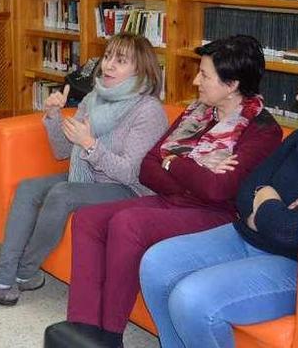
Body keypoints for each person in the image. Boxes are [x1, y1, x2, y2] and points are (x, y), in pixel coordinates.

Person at [56, 35, 283, 348]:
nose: (195, 80)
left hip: (216, 216)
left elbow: (218, 191)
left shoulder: (261, 131)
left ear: (231, 85)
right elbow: (148, 167)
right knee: (87, 219)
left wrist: (173, 162)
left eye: (204, 75)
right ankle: (82, 327)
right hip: (170, 201)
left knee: (128, 223)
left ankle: (109, 337)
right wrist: (193, 168)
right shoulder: (196, 114)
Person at [139, 49, 298, 348]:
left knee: (192, 298)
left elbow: (290, 233)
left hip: (295, 265)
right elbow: (248, 189)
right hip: (247, 235)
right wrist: (270, 204)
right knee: (156, 262)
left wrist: (267, 200)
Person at [0, 33, 169, 306]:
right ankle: (2, 281)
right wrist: (54, 117)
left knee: (61, 193)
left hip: (129, 190)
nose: (109, 66)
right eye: (108, 57)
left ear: (140, 70)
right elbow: (63, 151)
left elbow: (131, 173)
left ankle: (23, 272)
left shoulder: (147, 110)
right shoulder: (95, 98)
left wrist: (90, 145)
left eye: (121, 60)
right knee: (28, 187)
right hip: (90, 177)